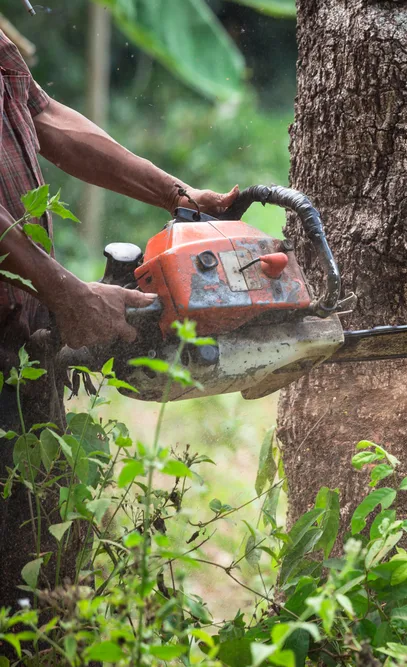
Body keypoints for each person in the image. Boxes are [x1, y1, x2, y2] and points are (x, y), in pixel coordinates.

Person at [0, 27, 237, 611]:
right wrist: (66, 290)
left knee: (36, 562)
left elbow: (44, 113)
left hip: (17, 333)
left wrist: (178, 195)